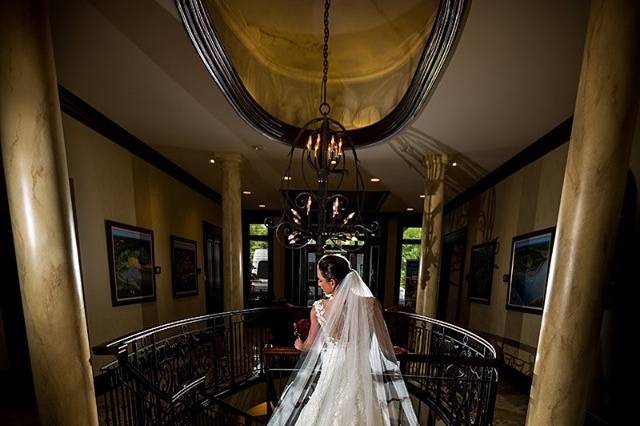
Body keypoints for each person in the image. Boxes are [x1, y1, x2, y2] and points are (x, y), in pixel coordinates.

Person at [268, 254, 418, 425]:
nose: (318, 283)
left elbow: (309, 346)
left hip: (332, 369)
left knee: (323, 410)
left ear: (332, 282)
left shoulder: (318, 308)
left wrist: (300, 345)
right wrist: (395, 349)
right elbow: (384, 346)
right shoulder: (371, 304)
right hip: (359, 369)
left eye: (320, 280)